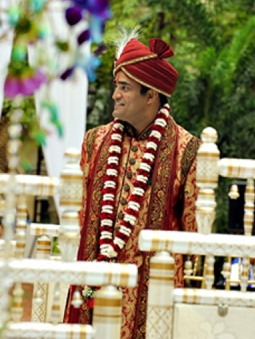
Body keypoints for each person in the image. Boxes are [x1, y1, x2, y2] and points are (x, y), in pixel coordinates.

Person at [63, 36, 201, 339]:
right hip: (94, 283)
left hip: (153, 295)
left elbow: (192, 234)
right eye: (117, 86)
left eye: (124, 87)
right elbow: (80, 215)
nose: (115, 95)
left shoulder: (187, 150)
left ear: (150, 95)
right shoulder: (94, 141)